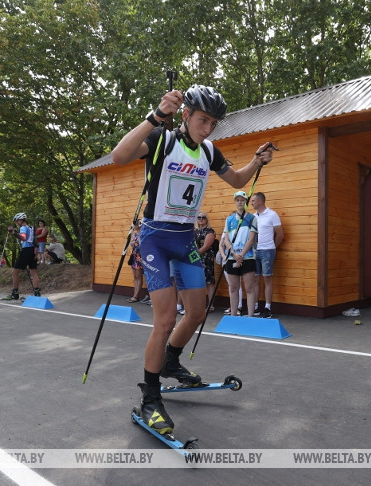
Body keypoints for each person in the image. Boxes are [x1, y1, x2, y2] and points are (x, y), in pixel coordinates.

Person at [111, 84, 276, 435]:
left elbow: (237, 179)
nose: (208, 128)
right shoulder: (162, 139)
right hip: (156, 237)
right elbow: (119, 156)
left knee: (198, 312)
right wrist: (155, 116)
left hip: (185, 239)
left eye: (214, 123)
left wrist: (256, 161)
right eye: (203, 120)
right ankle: (150, 397)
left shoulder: (210, 150)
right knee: (166, 318)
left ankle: (171, 360)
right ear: (185, 115)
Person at [221, 191, 258, 317]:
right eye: (237, 200)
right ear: (235, 202)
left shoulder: (252, 218)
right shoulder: (229, 219)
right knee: (233, 288)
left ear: (246, 202)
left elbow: (251, 239)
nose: (240, 202)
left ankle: (250, 316)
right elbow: (226, 239)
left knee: (249, 288)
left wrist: (241, 254)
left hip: (247, 257)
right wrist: (233, 253)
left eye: (242, 200)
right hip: (232, 258)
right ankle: (233, 315)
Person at [250, 192, 283, 318]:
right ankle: (257, 306)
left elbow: (280, 235)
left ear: (260, 201)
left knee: (267, 278)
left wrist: (272, 247)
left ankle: (268, 307)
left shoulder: (272, 215)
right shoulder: (253, 217)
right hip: (255, 251)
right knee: (256, 278)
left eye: (253, 200)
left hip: (267, 250)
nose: (251, 202)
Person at [1, 213, 42, 300]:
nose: (16, 223)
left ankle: (15, 293)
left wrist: (13, 233)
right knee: (33, 272)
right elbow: (35, 240)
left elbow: (23, 238)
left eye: (16, 221)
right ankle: (37, 292)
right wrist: (37, 253)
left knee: (15, 272)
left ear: (20, 220)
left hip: (26, 250)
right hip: (33, 251)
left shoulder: (23, 228)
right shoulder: (32, 228)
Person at [195, 211, 218, 311]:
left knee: (209, 282)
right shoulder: (194, 231)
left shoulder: (210, 231)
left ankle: (211, 305)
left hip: (206, 259)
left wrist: (194, 255)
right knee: (197, 282)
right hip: (195, 259)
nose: (201, 219)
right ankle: (199, 304)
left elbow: (206, 246)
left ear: (206, 219)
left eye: (203, 217)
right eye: (199, 217)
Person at [126, 224, 148, 303]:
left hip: (140, 257)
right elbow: (132, 244)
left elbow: (140, 245)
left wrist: (135, 244)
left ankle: (136, 296)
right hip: (134, 257)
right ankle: (135, 295)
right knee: (135, 276)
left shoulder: (143, 234)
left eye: (135, 224)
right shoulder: (135, 234)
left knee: (138, 276)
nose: (134, 226)